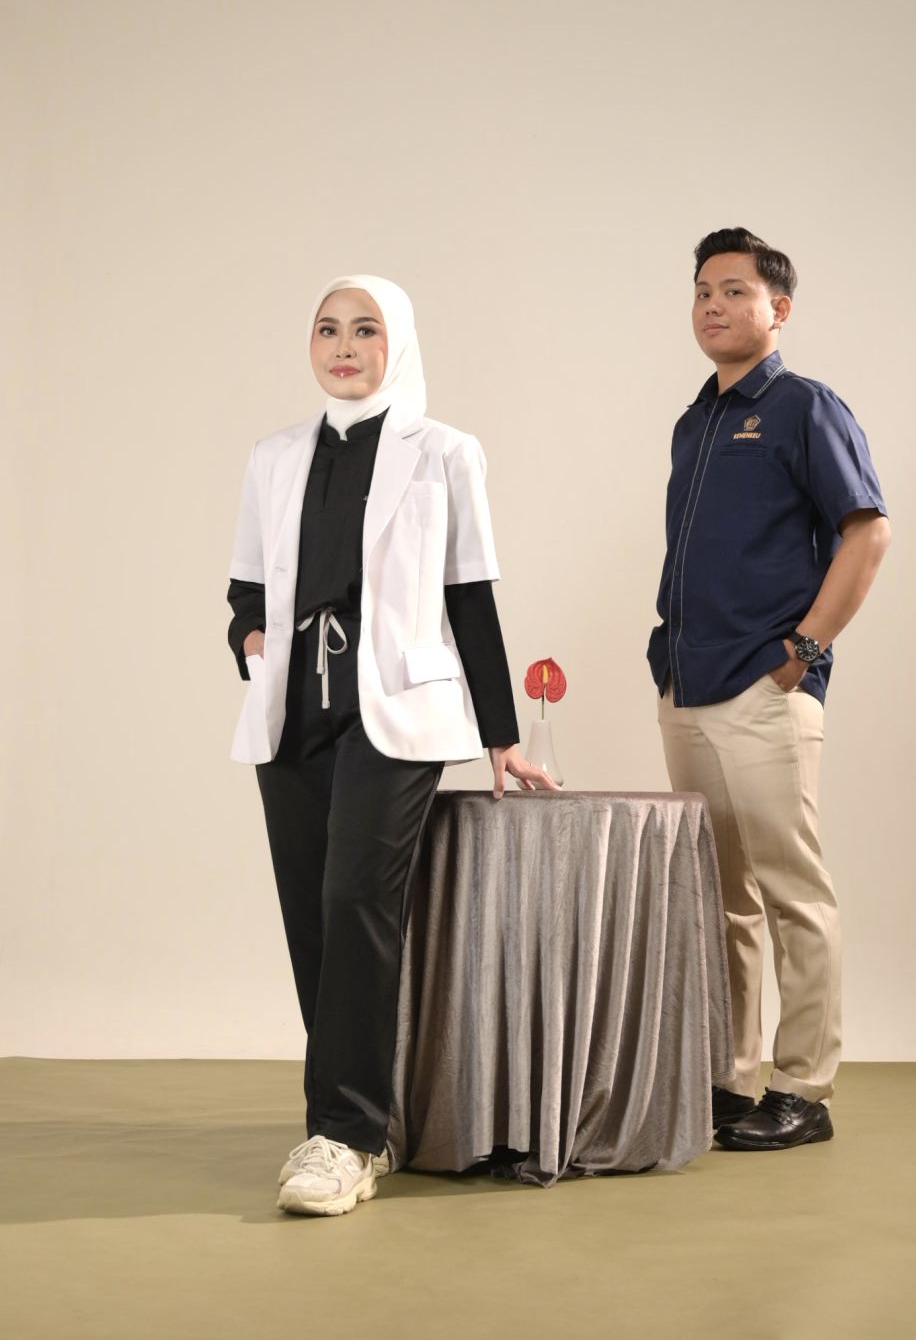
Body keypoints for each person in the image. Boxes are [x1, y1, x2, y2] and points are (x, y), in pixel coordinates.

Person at [226, 275, 558, 1215]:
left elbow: (469, 595)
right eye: (327, 329)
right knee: (311, 918)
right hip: (295, 709)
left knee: (355, 903)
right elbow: (245, 588)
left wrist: (500, 736)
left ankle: (346, 1138)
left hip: (399, 712)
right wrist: (250, 641)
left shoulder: (444, 451)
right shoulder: (274, 457)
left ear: (395, 343)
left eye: (364, 329)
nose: (344, 346)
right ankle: (355, 1118)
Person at [648, 227, 890, 1151]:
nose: (712, 305)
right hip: (687, 684)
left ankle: (803, 1089)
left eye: (734, 290)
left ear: (776, 309)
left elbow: (866, 532)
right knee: (721, 900)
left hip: (763, 685)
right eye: (702, 291)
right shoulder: (693, 421)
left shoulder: (802, 407)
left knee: (792, 891)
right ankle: (729, 1077)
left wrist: (802, 649)